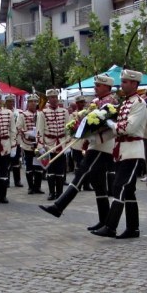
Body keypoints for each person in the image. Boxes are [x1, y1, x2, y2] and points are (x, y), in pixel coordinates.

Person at [40, 73, 118, 230]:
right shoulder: (97, 102)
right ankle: (105, 221)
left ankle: (59, 206)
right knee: (99, 184)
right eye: (95, 85)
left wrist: (88, 127)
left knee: (82, 173)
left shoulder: (111, 102)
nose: (95, 88)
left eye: (98, 86)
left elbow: (108, 124)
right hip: (94, 144)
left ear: (107, 87)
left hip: (103, 146)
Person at [91, 69, 147, 238]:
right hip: (123, 150)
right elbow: (118, 130)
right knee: (128, 191)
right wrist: (96, 137)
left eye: (125, 82)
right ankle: (133, 228)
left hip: (133, 151)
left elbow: (126, 128)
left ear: (134, 84)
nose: (121, 84)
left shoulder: (138, 103)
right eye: (122, 81)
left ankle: (111, 226)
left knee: (119, 186)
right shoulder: (126, 102)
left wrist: (110, 123)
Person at [36, 89, 69, 201]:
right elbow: (39, 130)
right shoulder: (43, 113)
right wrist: (40, 146)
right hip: (49, 144)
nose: (54, 99)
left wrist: (68, 144)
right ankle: (51, 192)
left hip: (62, 143)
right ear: (48, 99)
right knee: (50, 170)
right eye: (52, 97)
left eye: (55, 97)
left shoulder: (64, 111)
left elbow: (68, 129)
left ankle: (59, 193)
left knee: (60, 170)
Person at [17, 94, 43, 194]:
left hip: (39, 143)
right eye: (31, 101)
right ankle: (30, 187)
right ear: (28, 103)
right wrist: (28, 134)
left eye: (35, 101)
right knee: (29, 166)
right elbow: (19, 128)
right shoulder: (22, 115)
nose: (33, 103)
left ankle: (38, 187)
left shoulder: (40, 114)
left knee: (38, 166)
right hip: (28, 143)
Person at [4, 94, 24, 188]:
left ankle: (17, 180)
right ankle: (6, 180)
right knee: (7, 162)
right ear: (6, 102)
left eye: (13, 101)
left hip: (17, 139)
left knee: (16, 162)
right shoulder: (4, 112)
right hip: (7, 140)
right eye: (9, 101)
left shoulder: (18, 112)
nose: (11, 103)